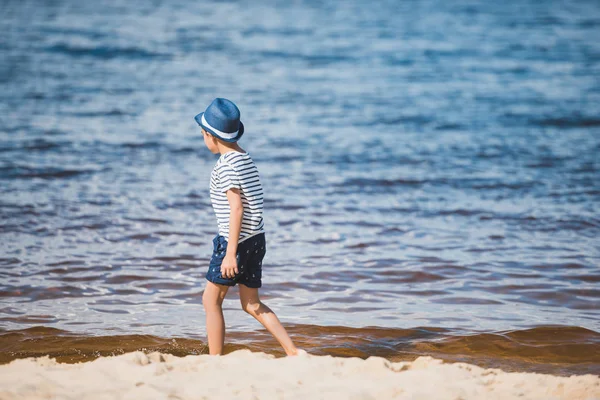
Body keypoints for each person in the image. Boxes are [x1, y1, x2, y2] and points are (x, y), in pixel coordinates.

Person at [194, 98, 300, 356]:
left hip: (236, 241)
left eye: (202, 134)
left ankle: (215, 360)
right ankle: (293, 351)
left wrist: (230, 253)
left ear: (210, 136)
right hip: (256, 238)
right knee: (252, 304)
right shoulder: (244, 158)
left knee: (211, 300)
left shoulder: (225, 167)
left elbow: (237, 208)